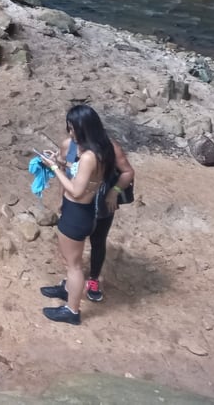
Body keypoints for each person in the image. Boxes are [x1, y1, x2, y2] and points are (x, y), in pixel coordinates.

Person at [39, 105, 134, 324]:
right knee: (70, 261)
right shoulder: (95, 151)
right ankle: (68, 289)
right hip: (82, 210)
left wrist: (54, 168)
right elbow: (79, 173)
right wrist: (61, 164)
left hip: (80, 212)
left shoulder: (93, 155)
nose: (69, 132)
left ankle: (72, 310)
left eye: (72, 128)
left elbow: (77, 189)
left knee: (73, 264)